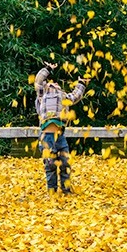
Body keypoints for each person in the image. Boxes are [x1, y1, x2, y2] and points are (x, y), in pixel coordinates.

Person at [34, 59, 88, 194]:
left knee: (65, 163)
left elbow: (76, 96)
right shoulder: (43, 93)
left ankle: (66, 189)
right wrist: (48, 69)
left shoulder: (63, 96)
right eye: (53, 82)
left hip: (60, 136)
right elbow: (38, 81)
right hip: (47, 136)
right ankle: (51, 189)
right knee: (50, 164)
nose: (56, 84)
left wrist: (81, 83)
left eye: (58, 84)